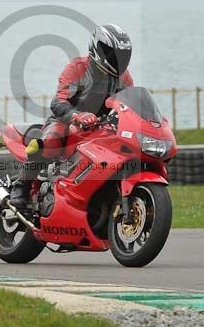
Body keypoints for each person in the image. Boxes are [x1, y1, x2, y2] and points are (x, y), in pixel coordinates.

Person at [10, 24, 134, 209]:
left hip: (102, 126)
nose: (118, 60)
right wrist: (78, 115)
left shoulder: (124, 77)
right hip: (65, 121)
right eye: (112, 54)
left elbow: (129, 104)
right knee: (51, 141)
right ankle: (21, 187)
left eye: (122, 55)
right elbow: (58, 102)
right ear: (98, 48)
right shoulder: (78, 68)